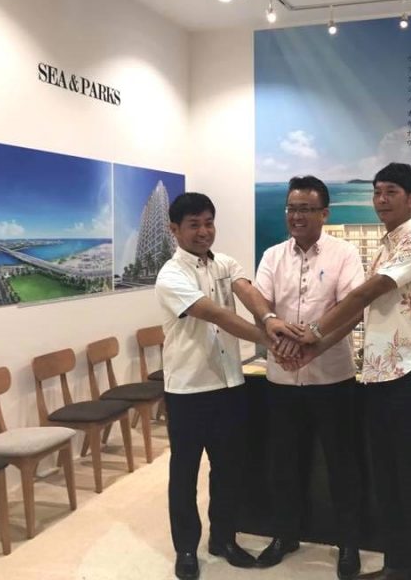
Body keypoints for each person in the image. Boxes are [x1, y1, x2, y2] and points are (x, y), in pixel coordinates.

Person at [301, 163, 411, 580]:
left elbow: (364, 294)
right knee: (388, 480)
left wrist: (313, 330)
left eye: (391, 192)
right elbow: (363, 312)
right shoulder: (386, 245)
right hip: (379, 376)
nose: (380, 200)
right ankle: (396, 566)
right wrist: (315, 349)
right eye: (377, 192)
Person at [155, 192, 301, 580]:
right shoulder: (171, 275)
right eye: (194, 225)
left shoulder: (224, 263)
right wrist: (269, 338)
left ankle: (223, 539)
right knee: (184, 473)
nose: (204, 231)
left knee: (228, 469)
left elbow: (247, 291)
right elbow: (215, 314)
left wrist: (268, 318)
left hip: (230, 384)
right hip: (188, 389)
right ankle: (186, 549)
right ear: (174, 229)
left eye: (209, 223)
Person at [254, 175, 365, 580]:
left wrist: (314, 343)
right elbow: (261, 305)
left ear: (324, 213)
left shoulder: (344, 254)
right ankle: (285, 535)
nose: (296, 216)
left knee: (342, 463)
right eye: (291, 208)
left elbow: (353, 309)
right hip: (282, 380)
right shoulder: (272, 256)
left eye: (305, 209)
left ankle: (348, 542)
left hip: (332, 378)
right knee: (284, 463)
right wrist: (275, 333)